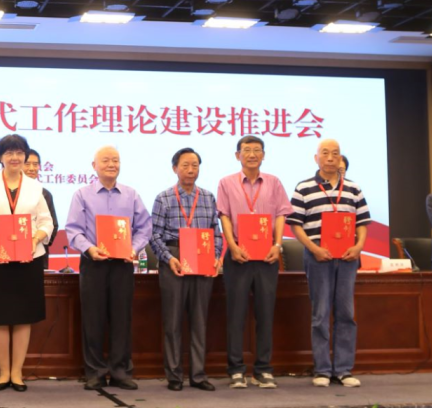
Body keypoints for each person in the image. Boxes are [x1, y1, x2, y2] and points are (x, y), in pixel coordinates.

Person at [0, 134, 53, 392]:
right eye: (9, 153)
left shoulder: (35, 187)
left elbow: (46, 222)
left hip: (28, 258)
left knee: (22, 317)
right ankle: (3, 372)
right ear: (0, 157)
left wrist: (34, 240)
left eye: (19, 152)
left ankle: (17, 373)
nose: (15, 157)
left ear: (25, 156)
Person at [64, 146, 151, 391]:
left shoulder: (131, 195)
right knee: (93, 319)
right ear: (94, 166)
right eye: (106, 160)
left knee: (121, 318)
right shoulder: (82, 194)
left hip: (122, 264)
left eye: (116, 160)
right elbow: (73, 230)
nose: (112, 164)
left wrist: (134, 248)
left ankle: (121, 371)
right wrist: (90, 249)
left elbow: (145, 227)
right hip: (94, 263)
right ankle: (95, 373)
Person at [287, 139, 369, 388]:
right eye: (325, 153)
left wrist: (358, 246)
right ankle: (322, 369)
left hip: (347, 259)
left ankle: (343, 370)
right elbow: (295, 225)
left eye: (335, 153)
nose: (331, 157)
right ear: (317, 158)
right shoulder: (303, 188)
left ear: (340, 158)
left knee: (346, 314)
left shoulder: (353, 188)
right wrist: (313, 249)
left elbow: (362, 223)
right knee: (320, 314)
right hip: (318, 258)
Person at [215, 136, 293, 389]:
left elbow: (281, 215)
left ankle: (263, 369)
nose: (251, 154)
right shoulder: (226, 183)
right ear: (237, 155)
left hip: (267, 255)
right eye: (246, 150)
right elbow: (224, 217)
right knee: (236, 314)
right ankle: (236, 369)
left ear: (263, 155)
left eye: (257, 150)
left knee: (265, 313)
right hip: (238, 255)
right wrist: (232, 246)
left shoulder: (274, 182)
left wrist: (277, 245)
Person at [149, 147, 222, 392]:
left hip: (202, 257)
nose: (191, 170)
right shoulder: (164, 197)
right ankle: (174, 376)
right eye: (185, 165)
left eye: (195, 165)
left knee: (200, 321)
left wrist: (216, 257)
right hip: (175, 258)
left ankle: (198, 375)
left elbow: (216, 232)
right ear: (175, 169)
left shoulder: (208, 197)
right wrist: (169, 258)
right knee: (173, 322)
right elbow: (154, 235)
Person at [24, 149, 59, 249]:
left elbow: (53, 224)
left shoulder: (45, 194)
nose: (32, 168)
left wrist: (39, 244)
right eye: (27, 164)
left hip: (38, 249)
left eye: (35, 164)